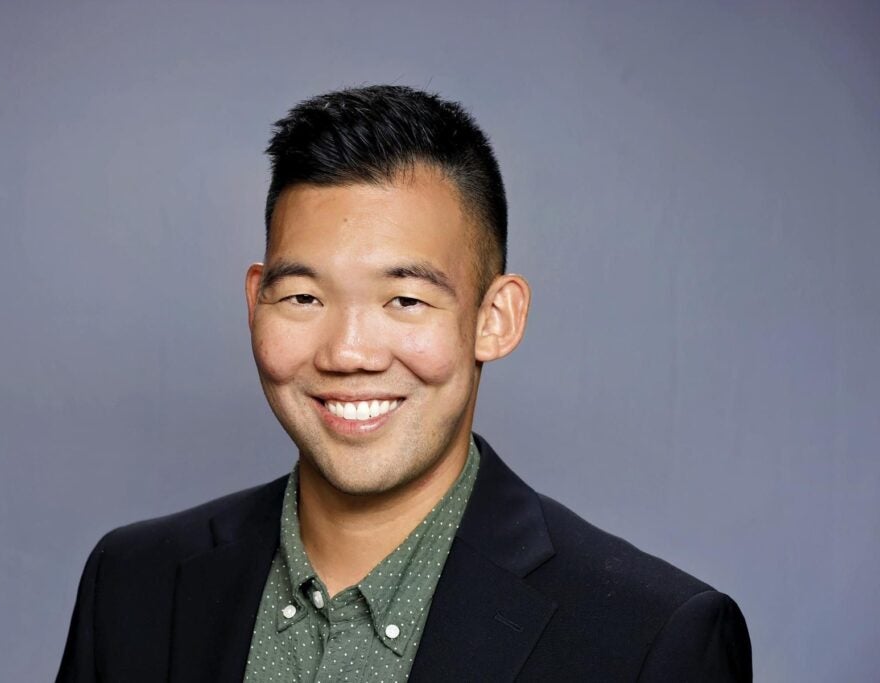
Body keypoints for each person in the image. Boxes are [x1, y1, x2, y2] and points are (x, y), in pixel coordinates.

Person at [56, 85, 752, 682]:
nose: (349, 352)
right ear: (254, 301)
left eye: (406, 301)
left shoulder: (653, 639)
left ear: (495, 318)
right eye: (303, 297)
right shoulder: (132, 582)